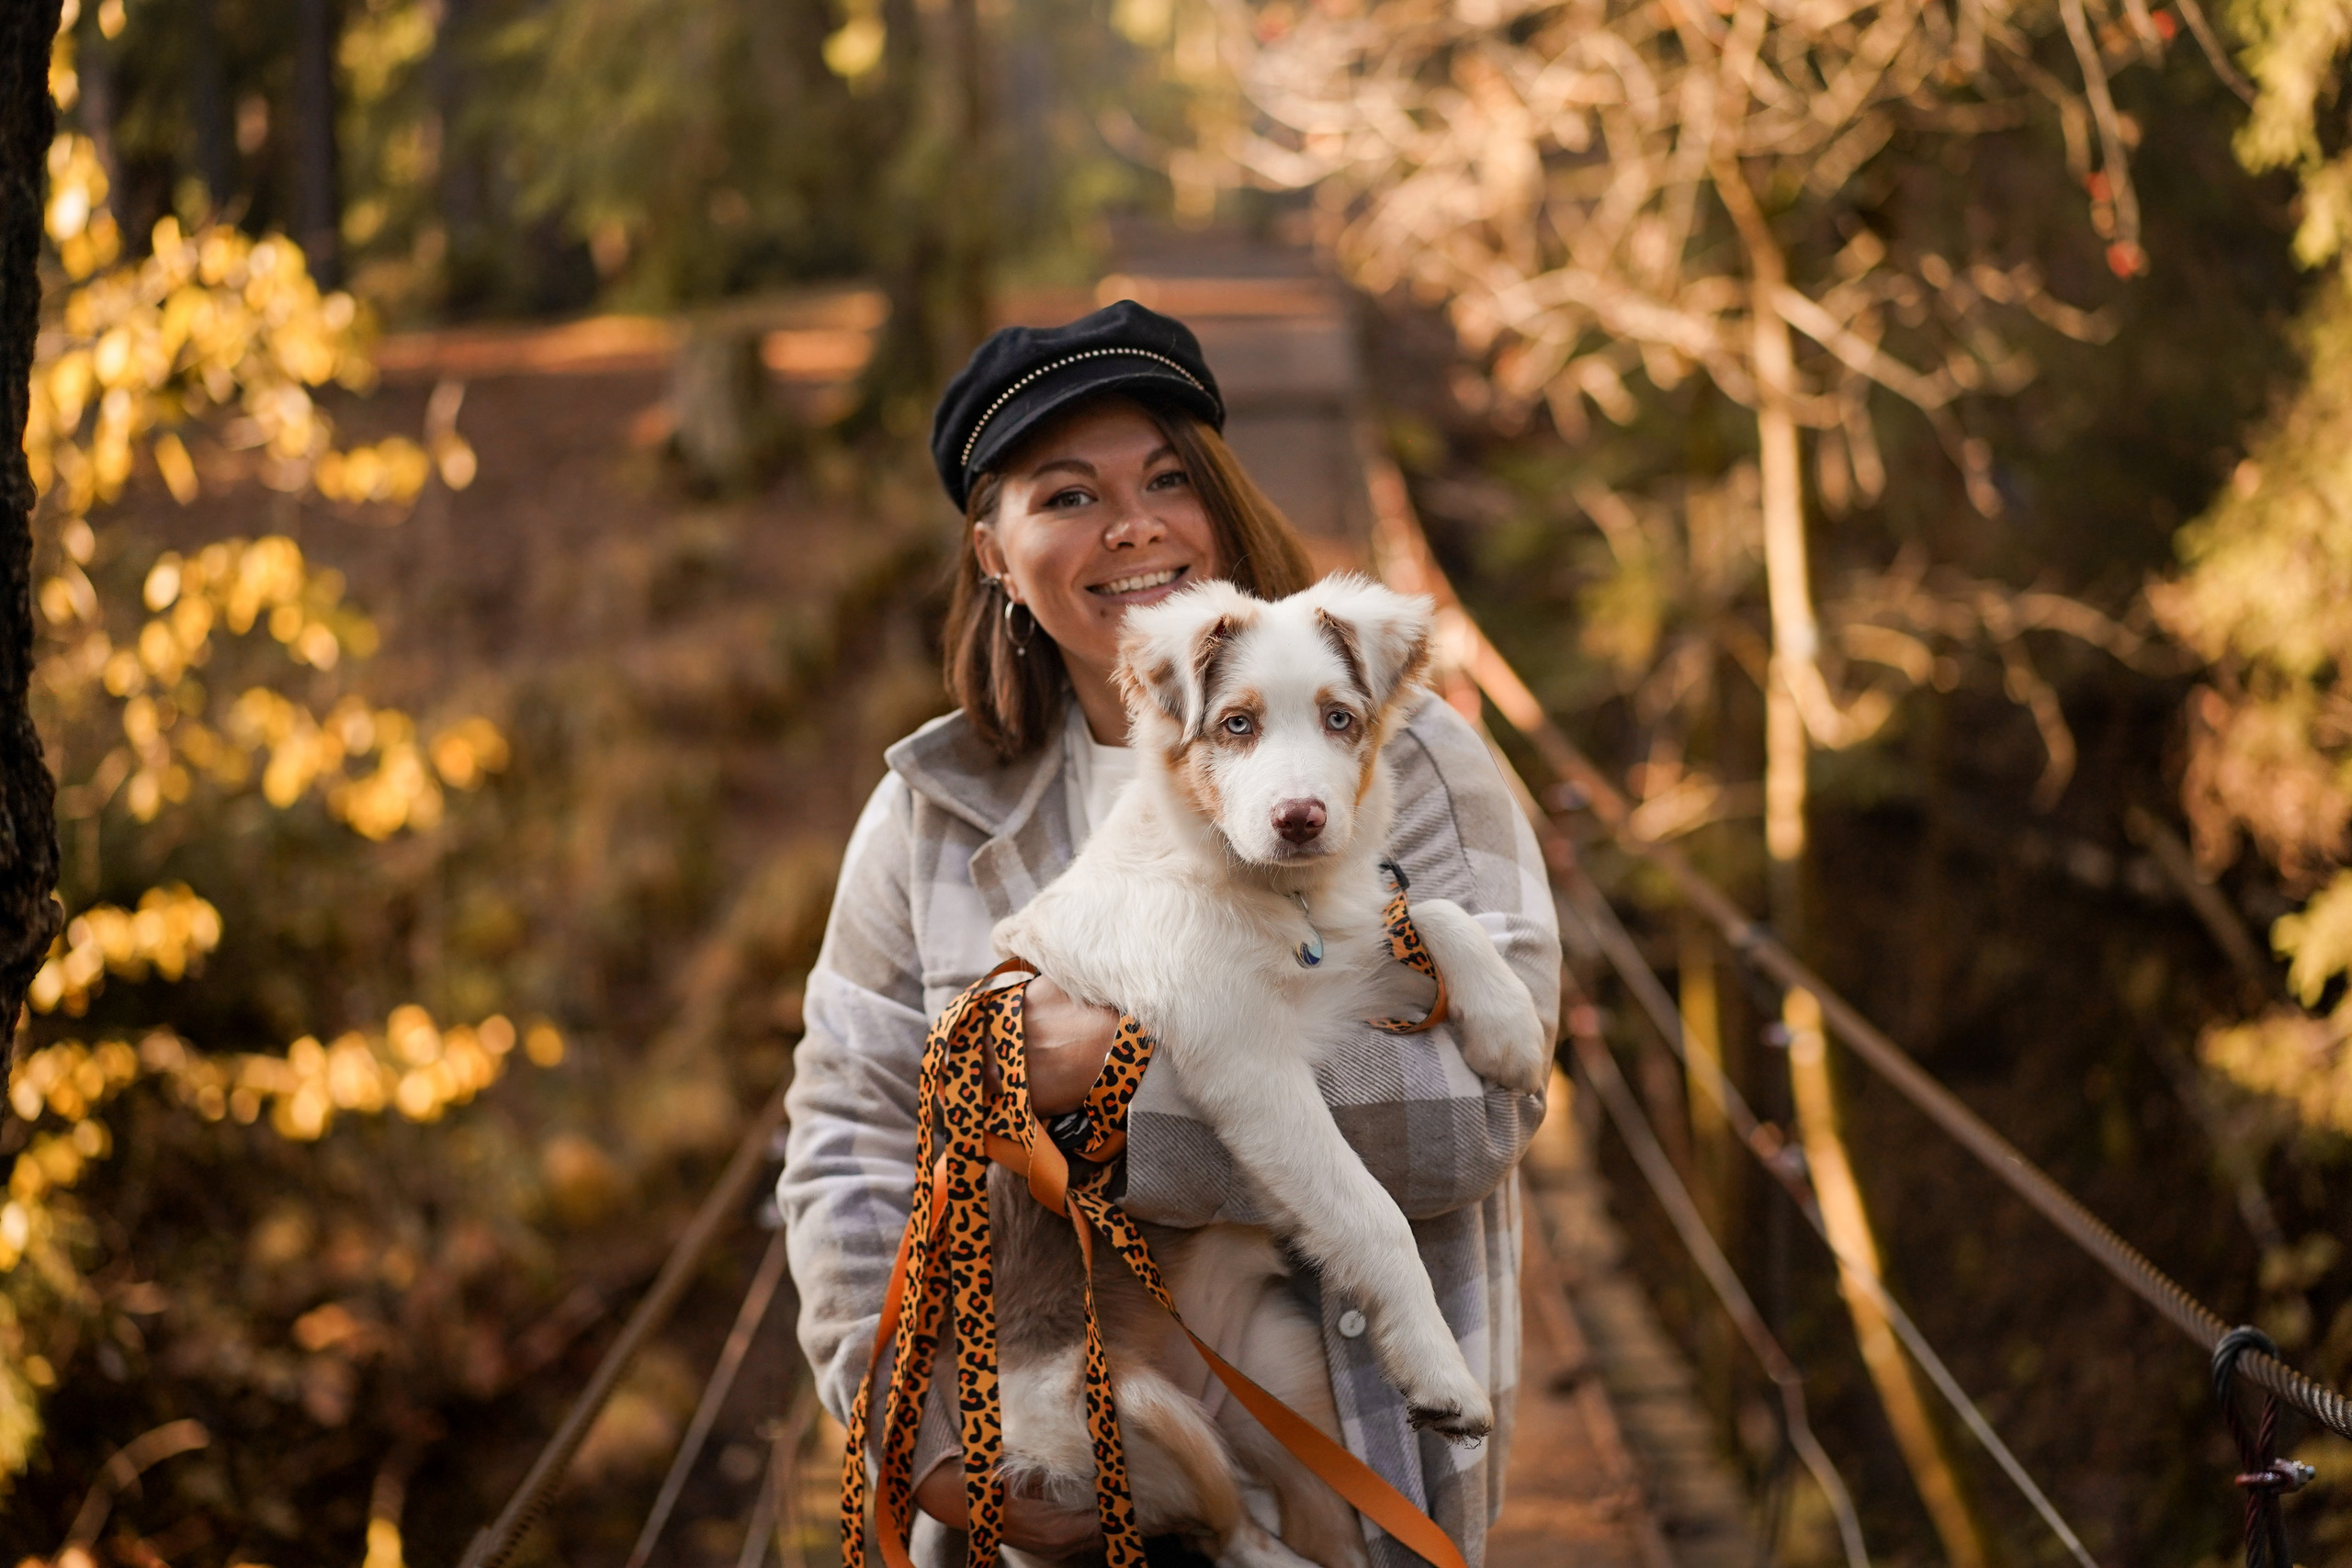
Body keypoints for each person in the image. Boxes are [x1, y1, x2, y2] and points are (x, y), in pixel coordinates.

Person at [778, 300, 1560, 1568]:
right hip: (1055, 1461)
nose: (1132, 524)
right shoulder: (928, 816)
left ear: (1221, 499)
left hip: (1351, 1457)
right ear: (993, 552)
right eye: (1066, 494)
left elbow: (1476, 1115)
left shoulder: (1417, 757)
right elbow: (845, 1139)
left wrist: (1121, 1094)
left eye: (1167, 478)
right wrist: (922, 1444)